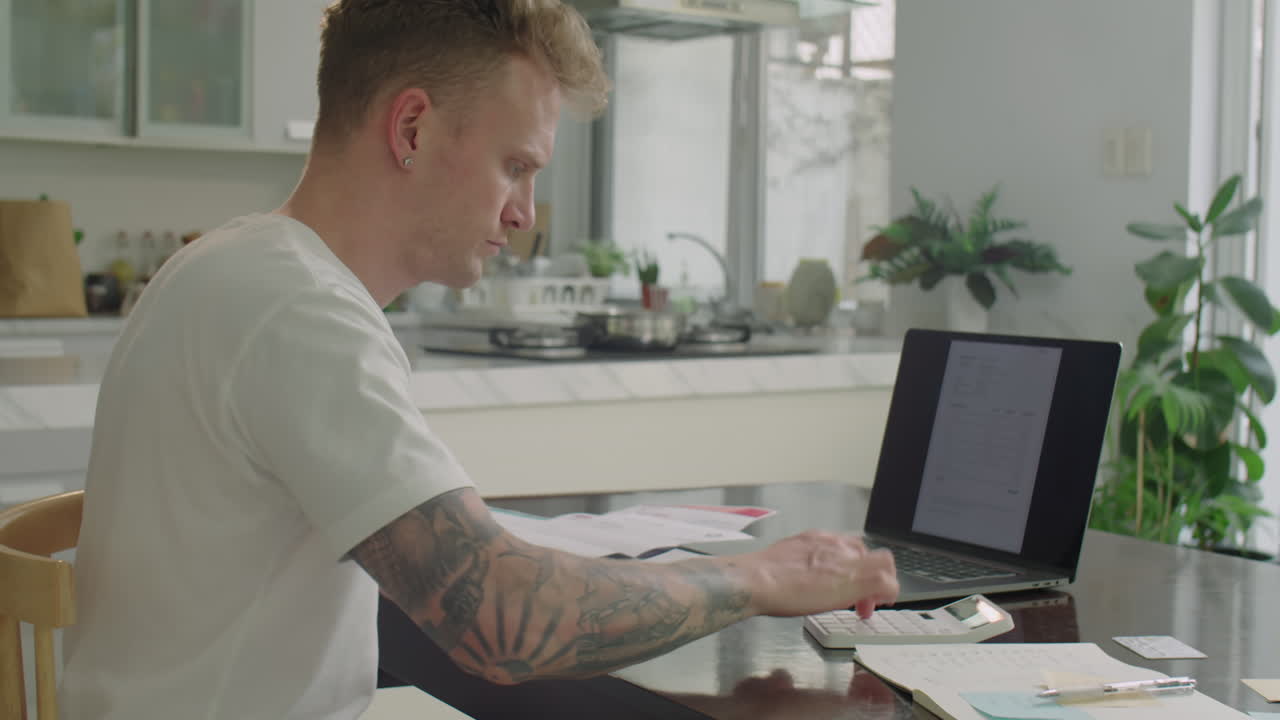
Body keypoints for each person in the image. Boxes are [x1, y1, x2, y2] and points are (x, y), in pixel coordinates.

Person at [59, 1, 899, 718]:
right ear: (412, 129)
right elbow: (502, 620)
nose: (526, 212)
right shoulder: (298, 310)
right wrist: (758, 578)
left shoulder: (233, 264)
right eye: (516, 166)